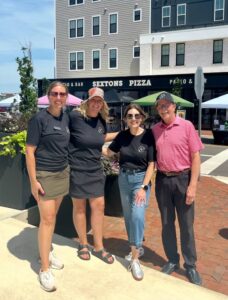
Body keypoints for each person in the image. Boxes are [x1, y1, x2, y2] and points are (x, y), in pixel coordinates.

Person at [152, 92, 204, 286]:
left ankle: (190, 265)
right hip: (163, 181)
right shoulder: (155, 129)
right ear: (157, 109)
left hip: (183, 179)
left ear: (174, 106)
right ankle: (172, 259)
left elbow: (196, 157)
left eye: (167, 105)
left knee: (186, 226)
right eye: (160, 106)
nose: (163, 108)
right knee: (166, 224)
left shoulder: (187, 126)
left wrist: (193, 186)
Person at [102, 104, 156, 281]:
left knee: (137, 216)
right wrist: (91, 144)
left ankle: (135, 259)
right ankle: (135, 245)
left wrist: (143, 187)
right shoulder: (122, 136)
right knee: (128, 216)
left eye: (137, 115)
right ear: (125, 119)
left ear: (142, 117)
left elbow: (151, 164)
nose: (134, 119)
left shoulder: (148, 136)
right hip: (124, 179)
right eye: (130, 116)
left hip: (141, 181)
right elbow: (109, 153)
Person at [26, 81, 70, 292]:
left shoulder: (66, 117)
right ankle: (44, 268)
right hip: (44, 174)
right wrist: (33, 181)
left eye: (62, 94)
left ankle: (47, 251)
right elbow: (29, 151)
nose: (58, 97)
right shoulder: (39, 119)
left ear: (66, 97)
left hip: (62, 173)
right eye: (54, 93)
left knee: (52, 219)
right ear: (48, 96)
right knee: (48, 219)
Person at [69, 87, 116, 264]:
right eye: (93, 100)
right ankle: (83, 244)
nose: (96, 104)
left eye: (99, 101)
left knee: (99, 207)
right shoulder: (75, 117)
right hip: (78, 169)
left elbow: (99, 140)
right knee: (80, 208)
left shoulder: (102, 121)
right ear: (87, 101)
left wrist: (122, 135)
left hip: (95, 169)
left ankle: (99, 246)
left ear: (102, 104)